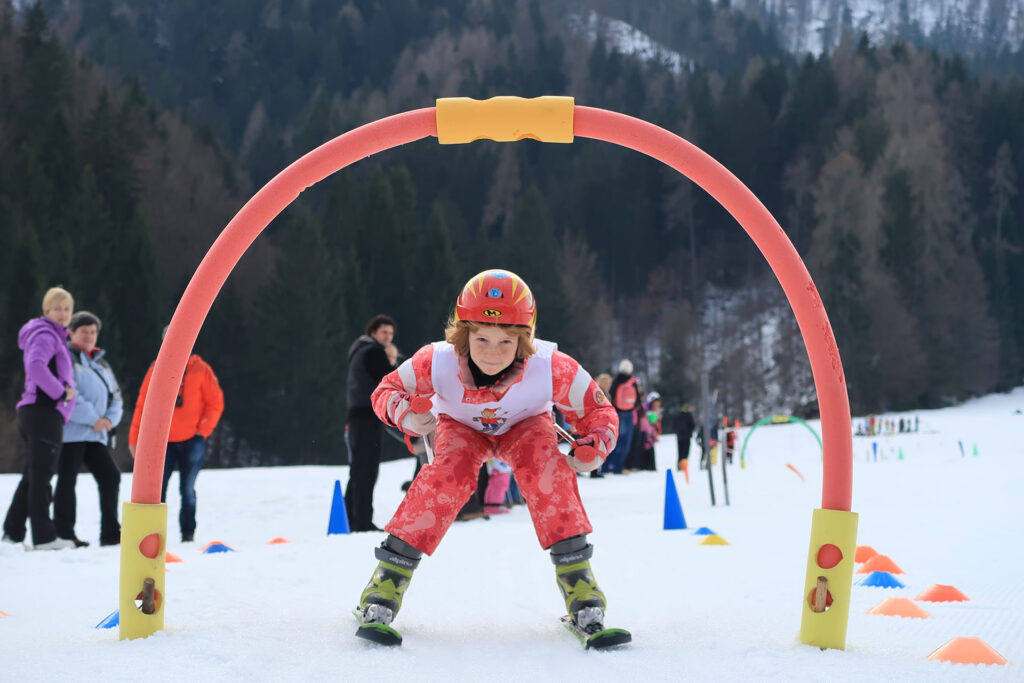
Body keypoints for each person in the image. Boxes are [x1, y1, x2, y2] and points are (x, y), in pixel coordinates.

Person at [354, 269, 624, 643]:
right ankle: (386, 584)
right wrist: (406, 414)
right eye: (481, 339)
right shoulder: (436, 360)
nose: (492, 354)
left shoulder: (552, 365)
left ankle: (581, 589)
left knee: (549, 474)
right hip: (462, 427)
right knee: (446, 478)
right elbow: (386, 390)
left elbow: (600, 412)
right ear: (463, 333)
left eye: (505, 342)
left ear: (525, 339)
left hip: (526, 424)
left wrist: (595, 446)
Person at [128, 329, 224, 542]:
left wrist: (203, 430)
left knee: (187, 490)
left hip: (192, 440)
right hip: (163, 444)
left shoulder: (201, 369)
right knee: (156, 493)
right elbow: (142, 406)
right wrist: (135, 440)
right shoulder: (155, 370)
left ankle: (188, 535)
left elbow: (215, 402)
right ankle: (152, 537)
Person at [2, 287, 79, 550]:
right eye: (57, 308)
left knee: (33, 475)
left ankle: (12, 534)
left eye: (67, 308)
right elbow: (35, 367)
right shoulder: (46, 334)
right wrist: (61, 393)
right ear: (46, 311)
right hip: (41, 413)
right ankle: (44, 537)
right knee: (41, 475)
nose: (63, 313)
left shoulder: (54, 336)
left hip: (40, 413)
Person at [54, 311, 123, 547]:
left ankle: (111, 532)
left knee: (110, 476)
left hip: (96, 434)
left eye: (93, 332)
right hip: (72, 433)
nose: (89, 336)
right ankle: (64, 534)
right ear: (72, 333)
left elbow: (116, 397)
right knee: (67, 481)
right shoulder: (66, 357)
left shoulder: (100, 362)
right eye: (84, 331)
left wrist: (108, 421)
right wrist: (94, 418)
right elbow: (69, 394)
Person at [345, 314, 397, 532]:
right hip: (368, 417)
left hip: (355, 416)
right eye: (384, 332)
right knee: (367, 471)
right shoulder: (374, 352)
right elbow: (391, 380)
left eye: (391, 333)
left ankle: (349, 518)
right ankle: (362, 522)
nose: (388, 337)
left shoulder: (358, 350)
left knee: (357, 470)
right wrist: (392, 362)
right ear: (373, 332)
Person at [602, 359, 640, 474]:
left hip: (617, 414)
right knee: (625, 443)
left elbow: (612, 397)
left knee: (614, 441)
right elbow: (637, 400)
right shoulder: (632, 382)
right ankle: (618, 468)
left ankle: (606, 467)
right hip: (628, 414)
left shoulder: (616, 381)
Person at [673, 403, 696, 482]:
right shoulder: (689, 415)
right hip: (687, 436)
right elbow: (692, 425)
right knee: (685, 453)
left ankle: (679, 466)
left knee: (680, 452)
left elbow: (675, 425)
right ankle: (684, 467)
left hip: (679, 437)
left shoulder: (678, 415)